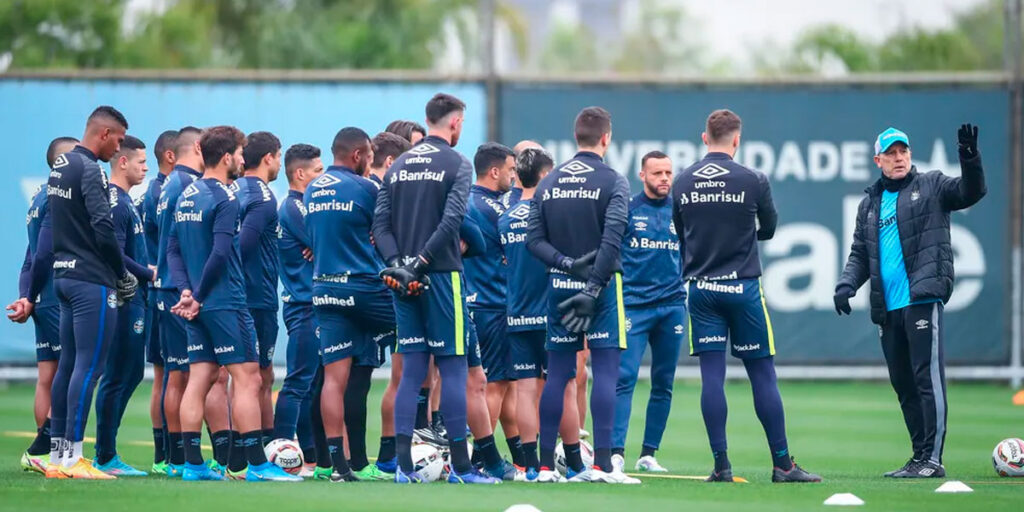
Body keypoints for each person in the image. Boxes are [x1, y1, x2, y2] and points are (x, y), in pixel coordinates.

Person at [672, 109, 820, 483]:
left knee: (711, 379)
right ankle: (783, 465)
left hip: (702, 290)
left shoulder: (683, 180)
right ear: (737, 140)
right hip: (743, 288)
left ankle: (721, 466)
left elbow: (681, 231)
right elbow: (769, 227)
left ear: (705, 138)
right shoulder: (753, 179)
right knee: (762, 375)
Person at [834, 124, 986, 478]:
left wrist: (969, 157)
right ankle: (918, 457)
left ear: (910, 155)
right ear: (878, 160)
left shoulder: (932, 185)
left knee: (926, 379)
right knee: (903, 384)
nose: (899, 158)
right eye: (891, 153)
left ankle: (932, 459)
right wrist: (846, 284)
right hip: (888, 309)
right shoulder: (869, 204)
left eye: (903, 151)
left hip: (921, 298)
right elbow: (859, 253)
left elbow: (971, 191)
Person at [372, 93, 499, 484]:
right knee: (454, 369)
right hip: (442, 275)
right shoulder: (456, 164)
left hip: (403, 281)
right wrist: (422, 263)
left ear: (428, 120)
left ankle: (404, 469)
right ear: (456, 123)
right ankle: (462, 468)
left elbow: (380, 226)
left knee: (411, 371)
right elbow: (452, 221)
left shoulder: (400, 164)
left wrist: (400, 266)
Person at [165, 125, 299, 482]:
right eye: (240, 153)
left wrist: (186, 292)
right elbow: (222, 252)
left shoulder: (187, 195)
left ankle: (193, 465)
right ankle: (256, 465)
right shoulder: (224, 199)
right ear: (227, 157)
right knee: (248, 378)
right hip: (225, 301)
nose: (243, 158)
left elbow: (172, 250)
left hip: (197, 301)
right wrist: (202, 295)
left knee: (201, 377)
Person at [526, 106, 637, 484]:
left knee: (557, 375)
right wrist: (591, 285)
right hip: (602, 290)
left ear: (577, 137)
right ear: (606, 137)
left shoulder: (549, 182)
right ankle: (604, 466)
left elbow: (533, 241)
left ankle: (542, 467)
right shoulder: (614, 181)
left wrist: (566, 264)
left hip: (559, 286)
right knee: (605, 372)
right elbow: (612, 240)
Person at [26, 106, 138, 479]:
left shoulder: (61, 166)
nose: (118, 148)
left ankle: (58, 455)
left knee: (69, 366)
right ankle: (74, 457)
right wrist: (121, 274)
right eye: (119, 140)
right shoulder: (90, 169)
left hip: (64, 277)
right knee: (89, 367)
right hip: (92, 279)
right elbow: (103, 228)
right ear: (104, 134)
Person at [304, 127, 396, 482]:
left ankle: (338, 465)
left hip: (325, 289)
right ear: (358, 155)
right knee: (423, 328)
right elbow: (388, 230)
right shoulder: (367, 187)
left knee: (333, 380)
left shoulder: (314, 188)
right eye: (370, 157)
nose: (371, 164)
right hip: (364, 289)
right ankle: (411, 442)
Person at [499, 146, 583, 481]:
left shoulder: (505, 217)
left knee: (525, 388)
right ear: (546, 176)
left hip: (517, 311)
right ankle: (575, 463)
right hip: (552, 312)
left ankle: (528, 465)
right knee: (565, 386)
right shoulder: (552, 215)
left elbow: (504, 261)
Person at [8, 136, 78, 475]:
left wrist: (27, 296)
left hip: (42, 296)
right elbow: (44, 254)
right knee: (67, 371)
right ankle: (48, 447)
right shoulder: (58, 197)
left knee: (47, 375)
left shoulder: (38, 197)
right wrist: (34, 295)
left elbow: (30, 255)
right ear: (63, 161)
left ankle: (44, 450)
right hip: (58, 294)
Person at [611, 150, 685, 474]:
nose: (664, 179)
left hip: (671, 307)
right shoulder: (628, 210)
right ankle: (615, 452)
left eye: (668, 173)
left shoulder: (681, 212)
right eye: (657, 173)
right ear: (642, 176)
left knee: (664, 381)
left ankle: (648, 454)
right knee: (623, 378)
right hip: (634, 306)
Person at [93, 135, 155, 476]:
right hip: (125, 298)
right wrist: (147, 272)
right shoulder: (115, 202)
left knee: (129, 374)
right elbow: (114, 252)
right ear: (122, 162)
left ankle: (107, 453)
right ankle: (105, 455)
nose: (146, 167)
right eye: (141, 162)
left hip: (137, 298)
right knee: (119, 375)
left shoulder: (127, 201)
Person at [465, 142, 525, 472]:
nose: (513, 177)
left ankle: (518, 458)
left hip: (481, 302)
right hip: (495, 304)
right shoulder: (491, 209)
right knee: (495, 386)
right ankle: (482, 460)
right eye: (510, 170)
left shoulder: (471, 203)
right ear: (494, 171)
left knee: (505, 386)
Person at [154, 126, 204, 477]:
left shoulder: (167, 183)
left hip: (165, 286)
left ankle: (174, 458)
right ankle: (181, 458)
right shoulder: (186, 184)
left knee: (176, 375)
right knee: (181, 376)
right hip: (178, 289)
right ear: (198, 149)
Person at [272, 143, 324, 476]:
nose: (323, 177)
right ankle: (279, 451)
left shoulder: (303, 208)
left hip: (311, 305)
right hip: (304, 307)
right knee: (298, 382)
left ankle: (311, 456)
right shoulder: (294, 208)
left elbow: (323, 243)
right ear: (300, 173)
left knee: (312, 385)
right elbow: (328, 241)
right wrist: (321, 245)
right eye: (319, 171)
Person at [234, 131, 283, 446]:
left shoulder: (232, 189)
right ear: (268, 158)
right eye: (278, 156)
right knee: (257, 378)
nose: (279, 163)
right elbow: (242, 246)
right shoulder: (263, 197)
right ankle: (260, 451)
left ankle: (239, 452)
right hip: (257, 298)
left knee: (242, 378)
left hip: (241, 297)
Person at [141, 129, 178, 473]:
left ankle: (164, 455)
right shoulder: (165, 191)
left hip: (157, 292)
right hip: (164, 292)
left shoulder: (155, 191)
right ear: (171, 155)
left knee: (164, 373)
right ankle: (167, 453)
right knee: (170, 374)